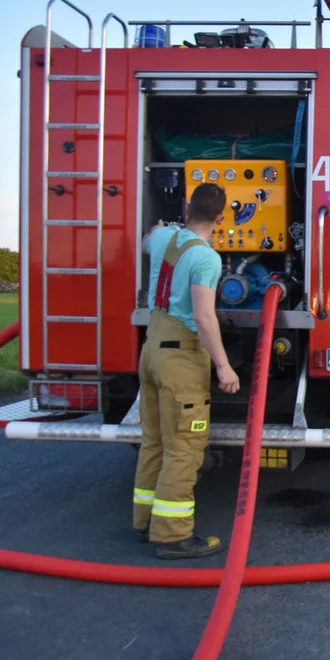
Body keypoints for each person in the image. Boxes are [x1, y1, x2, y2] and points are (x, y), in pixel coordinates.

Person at [134, 183, 240, 560]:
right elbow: (203, 316)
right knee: (183, 449)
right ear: (221, 217)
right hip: (181, 358)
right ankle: (173, 535)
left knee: (154, 442)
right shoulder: (207, 259)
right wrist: (224, 366)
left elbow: (147, 240)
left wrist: (159, 227)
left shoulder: (164, 237)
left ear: (186, 207)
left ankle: (144, 522)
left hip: (151, 351)